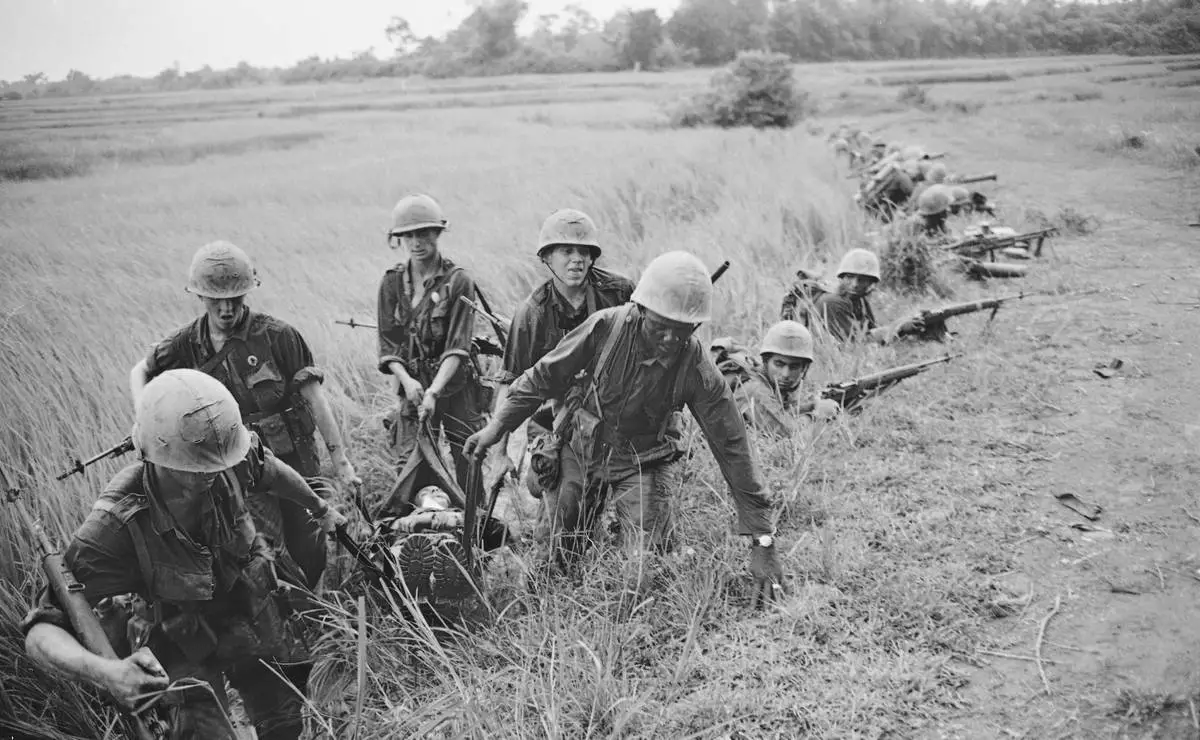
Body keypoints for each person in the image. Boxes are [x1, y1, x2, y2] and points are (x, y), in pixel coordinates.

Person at [23, 370, 346, 740]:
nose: (214, 473)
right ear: (154, 454)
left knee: (284, 720)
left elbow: (269, 470)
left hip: (248, 612)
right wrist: (107, 673)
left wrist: (320, 508)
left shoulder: (227, 453)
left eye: (220, 462)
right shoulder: (116, 525)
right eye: (195, 467)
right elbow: (42, 630)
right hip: (180, 638)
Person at [464, 251, 785, 606]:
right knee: (555, 562)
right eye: (659, 326)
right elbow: (540, 378)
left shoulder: (694, 366)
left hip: (642, 461)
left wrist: (763, 541)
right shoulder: (605, 328)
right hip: (579, 451)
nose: (667, 340)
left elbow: (733, 446)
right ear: (640, 309)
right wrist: (496, 429)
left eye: (680, 331)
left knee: (642, 572)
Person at [129, 240, 358, 588]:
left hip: (296, 458)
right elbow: (140, 372)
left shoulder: (278, 336)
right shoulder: (187, 343)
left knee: (309, 539)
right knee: (267, 547)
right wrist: (142, 418)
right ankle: (292, 615)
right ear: (200, 297)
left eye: (234, 299)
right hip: (240, 466)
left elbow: (315, 398)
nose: (225, 309)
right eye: (216, 300)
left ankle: (316, 599)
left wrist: (341, 462)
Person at [492, 209, 635, 498]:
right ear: (547, 257)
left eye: (584, 252)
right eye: (566, 251)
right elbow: (510, 383)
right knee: (562, 519)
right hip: (560, 421)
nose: (577, 259)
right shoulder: (532, 314)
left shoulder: (620, 294)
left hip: (619, 416)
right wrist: (499, 453)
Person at [377, 193, 485, 491]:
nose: (416, 242)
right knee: (411, 468)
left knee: (469, 459)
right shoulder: (391, 283)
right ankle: (417, 532)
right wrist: (408, 382)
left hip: (455, 386)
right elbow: (389, 345)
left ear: (437, 233)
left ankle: (478, 533)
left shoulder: (458, 281)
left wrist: (435, 391)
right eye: (408, 235)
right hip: (413, 388)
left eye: (423, 233)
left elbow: (457, 346)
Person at [734, 321, 840, 437]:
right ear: (765, 361)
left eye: (794, 367)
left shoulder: (769, 384)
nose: (785, 374)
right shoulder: (755, 390)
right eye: (779, 364)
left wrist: (811, 406)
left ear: (804, 368)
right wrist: (817, 415)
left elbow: (781, 414)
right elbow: (790, 436)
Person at [807, 248, 925, 344]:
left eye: (862, 280)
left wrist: (905, 326)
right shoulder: (831, 302)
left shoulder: (859, 300)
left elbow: (871, 334)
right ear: (842, 277)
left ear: (871, 283)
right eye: (850, 277)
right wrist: (898, 327)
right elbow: (852, 343)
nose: (855, 284)